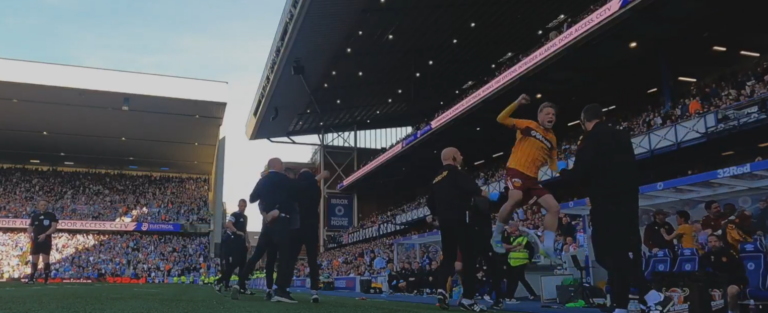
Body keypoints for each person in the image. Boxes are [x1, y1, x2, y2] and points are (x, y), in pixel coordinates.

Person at [558, 104, 669, 313]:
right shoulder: (622, 136)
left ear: (584, 122)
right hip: (628, 202)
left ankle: (649, 292)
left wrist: (563, 172)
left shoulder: (589, 140)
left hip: (605, 203)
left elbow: (579, 175)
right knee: (624, 252)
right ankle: (620, 306)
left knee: (604, 253)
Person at [492, 94, 561, 260]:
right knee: (515, 197)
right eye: (547, 113)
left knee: (554, 207)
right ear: (539, 116)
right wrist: (516, 103)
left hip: (532, 180)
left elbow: (553, 163)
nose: (551, 116)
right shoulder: (528, 125)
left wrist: (564, 169)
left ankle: (548, 246)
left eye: (553, 114)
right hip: (516, 170)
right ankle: (496, 237)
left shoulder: (552, 139)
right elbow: (501, 119)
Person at [426, 147, 489, 312]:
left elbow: (430, 202)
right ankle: (468, 298)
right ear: (453, 157)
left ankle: (441, 289)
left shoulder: (436, 179)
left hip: (445, 223)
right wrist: (488, 195)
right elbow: (474, 190)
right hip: (462, 219)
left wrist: (436, 216)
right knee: (469, 258)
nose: (462, 156)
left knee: (448, 257)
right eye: (460, 154)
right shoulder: (457, 173)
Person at [238, 158, 301, 303]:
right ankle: (280, 291)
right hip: (281, 221)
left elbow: (253, 198)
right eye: (281, 164)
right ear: (277, 166)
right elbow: (294, 193)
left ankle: (239, 283)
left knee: (258, 256)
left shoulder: (264, 180)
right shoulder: (284, 179)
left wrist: (265, 212)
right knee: (285, 256)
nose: (283, 166)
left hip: (267, 224)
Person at [291, 168, 327, 303]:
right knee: (312, 260)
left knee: (291, 258)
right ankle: (314, 291)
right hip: (312, 228)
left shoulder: (298, 188)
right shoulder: (315, 189)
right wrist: (318, 178)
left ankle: (282, 288)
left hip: (298, 226)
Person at [699, 234, 747, 313]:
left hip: (734, 280)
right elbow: (702, 271)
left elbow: (739, 270)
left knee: (730, 291)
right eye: (710, 242)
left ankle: (730, 311)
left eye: (715, 241)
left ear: (720, 242)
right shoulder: (705, 256)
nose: (713, 244)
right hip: (716, 282)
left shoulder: (729, 253)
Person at [214, 199, 250, 297]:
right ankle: (219, 281)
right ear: (238, 205)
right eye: (241, 205)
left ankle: (242, 287)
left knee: (243, 265)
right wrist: (236, 231)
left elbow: (245, 230)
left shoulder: (245, 217)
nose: (242, 207)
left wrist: (247, 241)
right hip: (235, 243)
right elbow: (228, 224)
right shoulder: (235, 215)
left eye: (244, 206)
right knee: (234, 264)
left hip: (242, 244)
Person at [503, 222, 537, 303]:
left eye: (516, 231)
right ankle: (532, 294)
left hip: (521, 261)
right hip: (511, 262)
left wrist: (529, 259)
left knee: (515, 279)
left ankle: (510, 296)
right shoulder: (509, 239)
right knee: (518, 279)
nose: (514, 233)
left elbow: (531, 249)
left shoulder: (523, 239)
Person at [26, 200, 58, 284]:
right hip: (35, 240)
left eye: (45, 205)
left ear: (47, 206)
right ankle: (31, 279)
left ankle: (46, 279)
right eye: (41, 205)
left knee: (45, 260)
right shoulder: (34, 216)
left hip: (46, 240)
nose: (43, 206)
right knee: (34, 260)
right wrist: (29, 232)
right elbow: (30, 226)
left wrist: (45, 234)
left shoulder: (51, 215)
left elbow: (54, 228)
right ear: (38, 206)